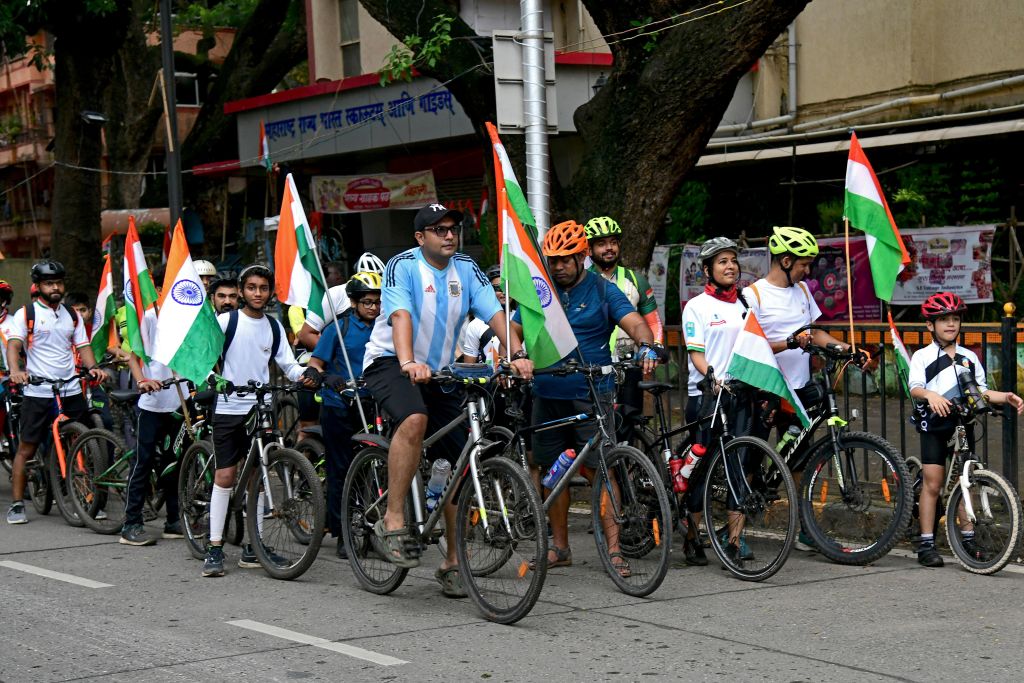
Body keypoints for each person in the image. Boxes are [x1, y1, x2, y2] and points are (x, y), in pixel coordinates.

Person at [361, 203, 531, 597]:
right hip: (391, 362)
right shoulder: (402, 266)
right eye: (439, 230)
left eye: (453, 228)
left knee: (460, 462)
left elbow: (495, 316)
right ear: (421, 238)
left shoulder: (468, 270)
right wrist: (408, 361)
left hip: (440, 370)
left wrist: (517, 355)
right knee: (415, 419)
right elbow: (400, 316)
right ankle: (393, 518)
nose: (449, 235)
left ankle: (453, 561)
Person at [512, 220, 660, 574]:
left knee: (601, 472)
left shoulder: (602, 289)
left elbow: (636, 322)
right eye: (553, 260)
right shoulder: (539, 290)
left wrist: (648, 345)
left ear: (581, 257)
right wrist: (516, 353)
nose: (558, 266)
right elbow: (513, 327)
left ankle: (614, 550)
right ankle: (560, 548)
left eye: (565, 259)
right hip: (546, 393)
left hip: (591, 394)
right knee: (553, 472)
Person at [746, 226, 862, 550]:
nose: (808, 270)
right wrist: (789, 342)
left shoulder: (802, 292)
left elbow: (816, 334)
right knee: (752, 458)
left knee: (799, 460)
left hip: (798, 388)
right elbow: (748, 346)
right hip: (765, 390)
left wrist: (846, 348)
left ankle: (803, 528)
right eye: (803, 264)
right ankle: (736, 524)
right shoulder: (754, 295)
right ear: (785, 260)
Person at [202, 264, 317, 576]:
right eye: (251, 288)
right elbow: (201, 360)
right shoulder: (226, 321)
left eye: (263, 288)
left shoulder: (275, 326)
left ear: (270, 293)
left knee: (258, 477)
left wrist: (306, 375)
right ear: (242, 291)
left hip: (262, 409)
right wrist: (215, 379)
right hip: (229, 409)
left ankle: (254, 547)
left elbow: (288, 365)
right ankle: (214, 548)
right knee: (225, 477)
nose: (257, 293)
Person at [909, 292, 1023, 567]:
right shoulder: (923, 356)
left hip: (962, 424)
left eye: (955, 319)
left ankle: (968, 539)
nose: (950, 324)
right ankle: (926, 542)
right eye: (944, 319)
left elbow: (981, 392)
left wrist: (1006, 395)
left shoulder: (968, 356)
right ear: (930, 326)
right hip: (934, 425)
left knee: (966, 480)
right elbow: (915, 388)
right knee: (933, 484)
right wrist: (931, 396)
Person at [4, 261, 108, 524]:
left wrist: (93, 367)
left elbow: (82, 346)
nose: (55, 287)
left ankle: (88, 497)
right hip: (39, 390)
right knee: (27, 448)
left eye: (59, 283)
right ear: (38, 286)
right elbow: (14, 347)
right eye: (49, 283)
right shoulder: (26, 314)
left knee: (83, 442)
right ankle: (17, 503)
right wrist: (16, 370)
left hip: (70, 387)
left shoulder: (70, 315)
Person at [306, 271, 380, 559]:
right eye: (367, 302)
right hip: (339, 406)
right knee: (342, 469)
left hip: (372, 406)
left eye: (376, 302)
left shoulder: (384, 328)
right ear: (353, 302)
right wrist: (329, 378)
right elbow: (316, 364)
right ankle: (342, 532)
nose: (373, 308)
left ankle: (372, 527)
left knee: (371, 468)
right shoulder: (338, 327)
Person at [119, 264, 184, 546]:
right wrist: (142, 379)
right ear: (156, 289)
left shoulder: (184, 317)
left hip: (178, 401)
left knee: (174, 463)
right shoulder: (147, 317)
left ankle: (173, 520)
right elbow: (132, 354)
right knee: (142, 463)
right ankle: (131, 524)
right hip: (152, 404)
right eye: (166, 286)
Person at [584, 216, 662, 442]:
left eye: (613, 242)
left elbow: (653, 323)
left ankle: (629, 472)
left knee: (628, 424)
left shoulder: (636, 280)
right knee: (595, 426)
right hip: (593, 366)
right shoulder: (581, 281)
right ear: (588, 250)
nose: (609, 248)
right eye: (601, 243)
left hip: (629, 364)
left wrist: (652, 350)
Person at [296, 252, 386, 350]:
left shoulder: (388, 293)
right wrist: (334, 358)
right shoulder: (335, 294)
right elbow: (306, 334)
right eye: (367, 301)